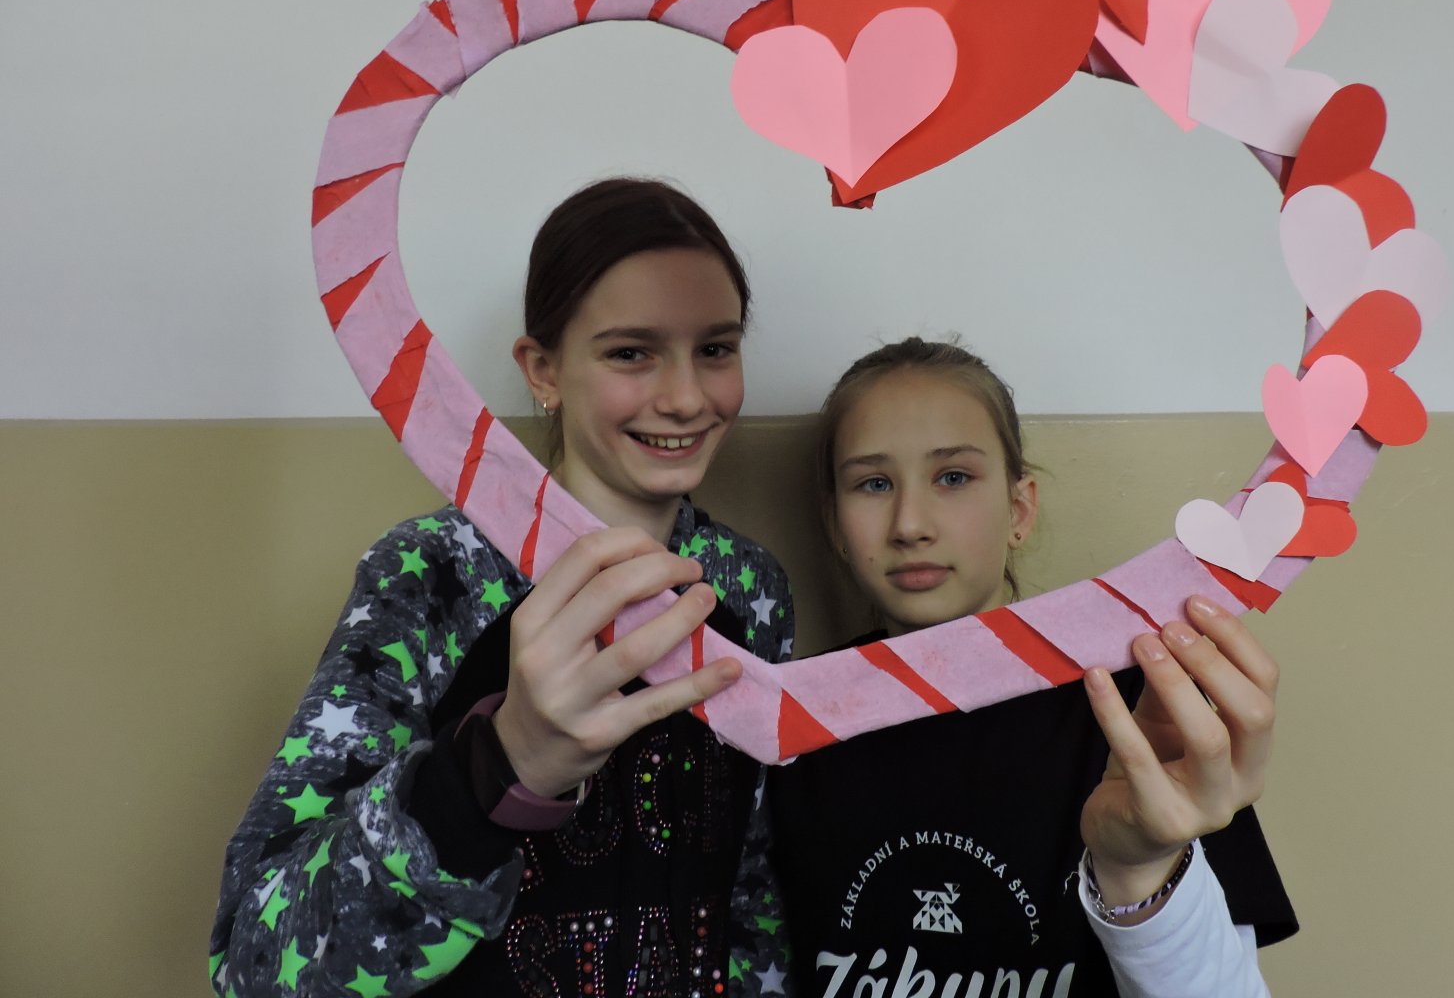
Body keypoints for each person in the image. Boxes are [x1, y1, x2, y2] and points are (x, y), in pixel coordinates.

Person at [210, 179, 795, 997]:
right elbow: (257, 966)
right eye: (631, 352)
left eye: (717, 349)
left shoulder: (749, 586)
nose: (687, 397)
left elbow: (748, 889)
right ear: (543, 370)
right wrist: (497, 766)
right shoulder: (432, 575)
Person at [768, 338, 1296, 997]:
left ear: (1019, 510)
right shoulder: (789, 721)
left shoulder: (1140, 716)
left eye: (953, 477)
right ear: (835, 523)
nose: (910, 524)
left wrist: (1141, 871)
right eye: (874, 484)